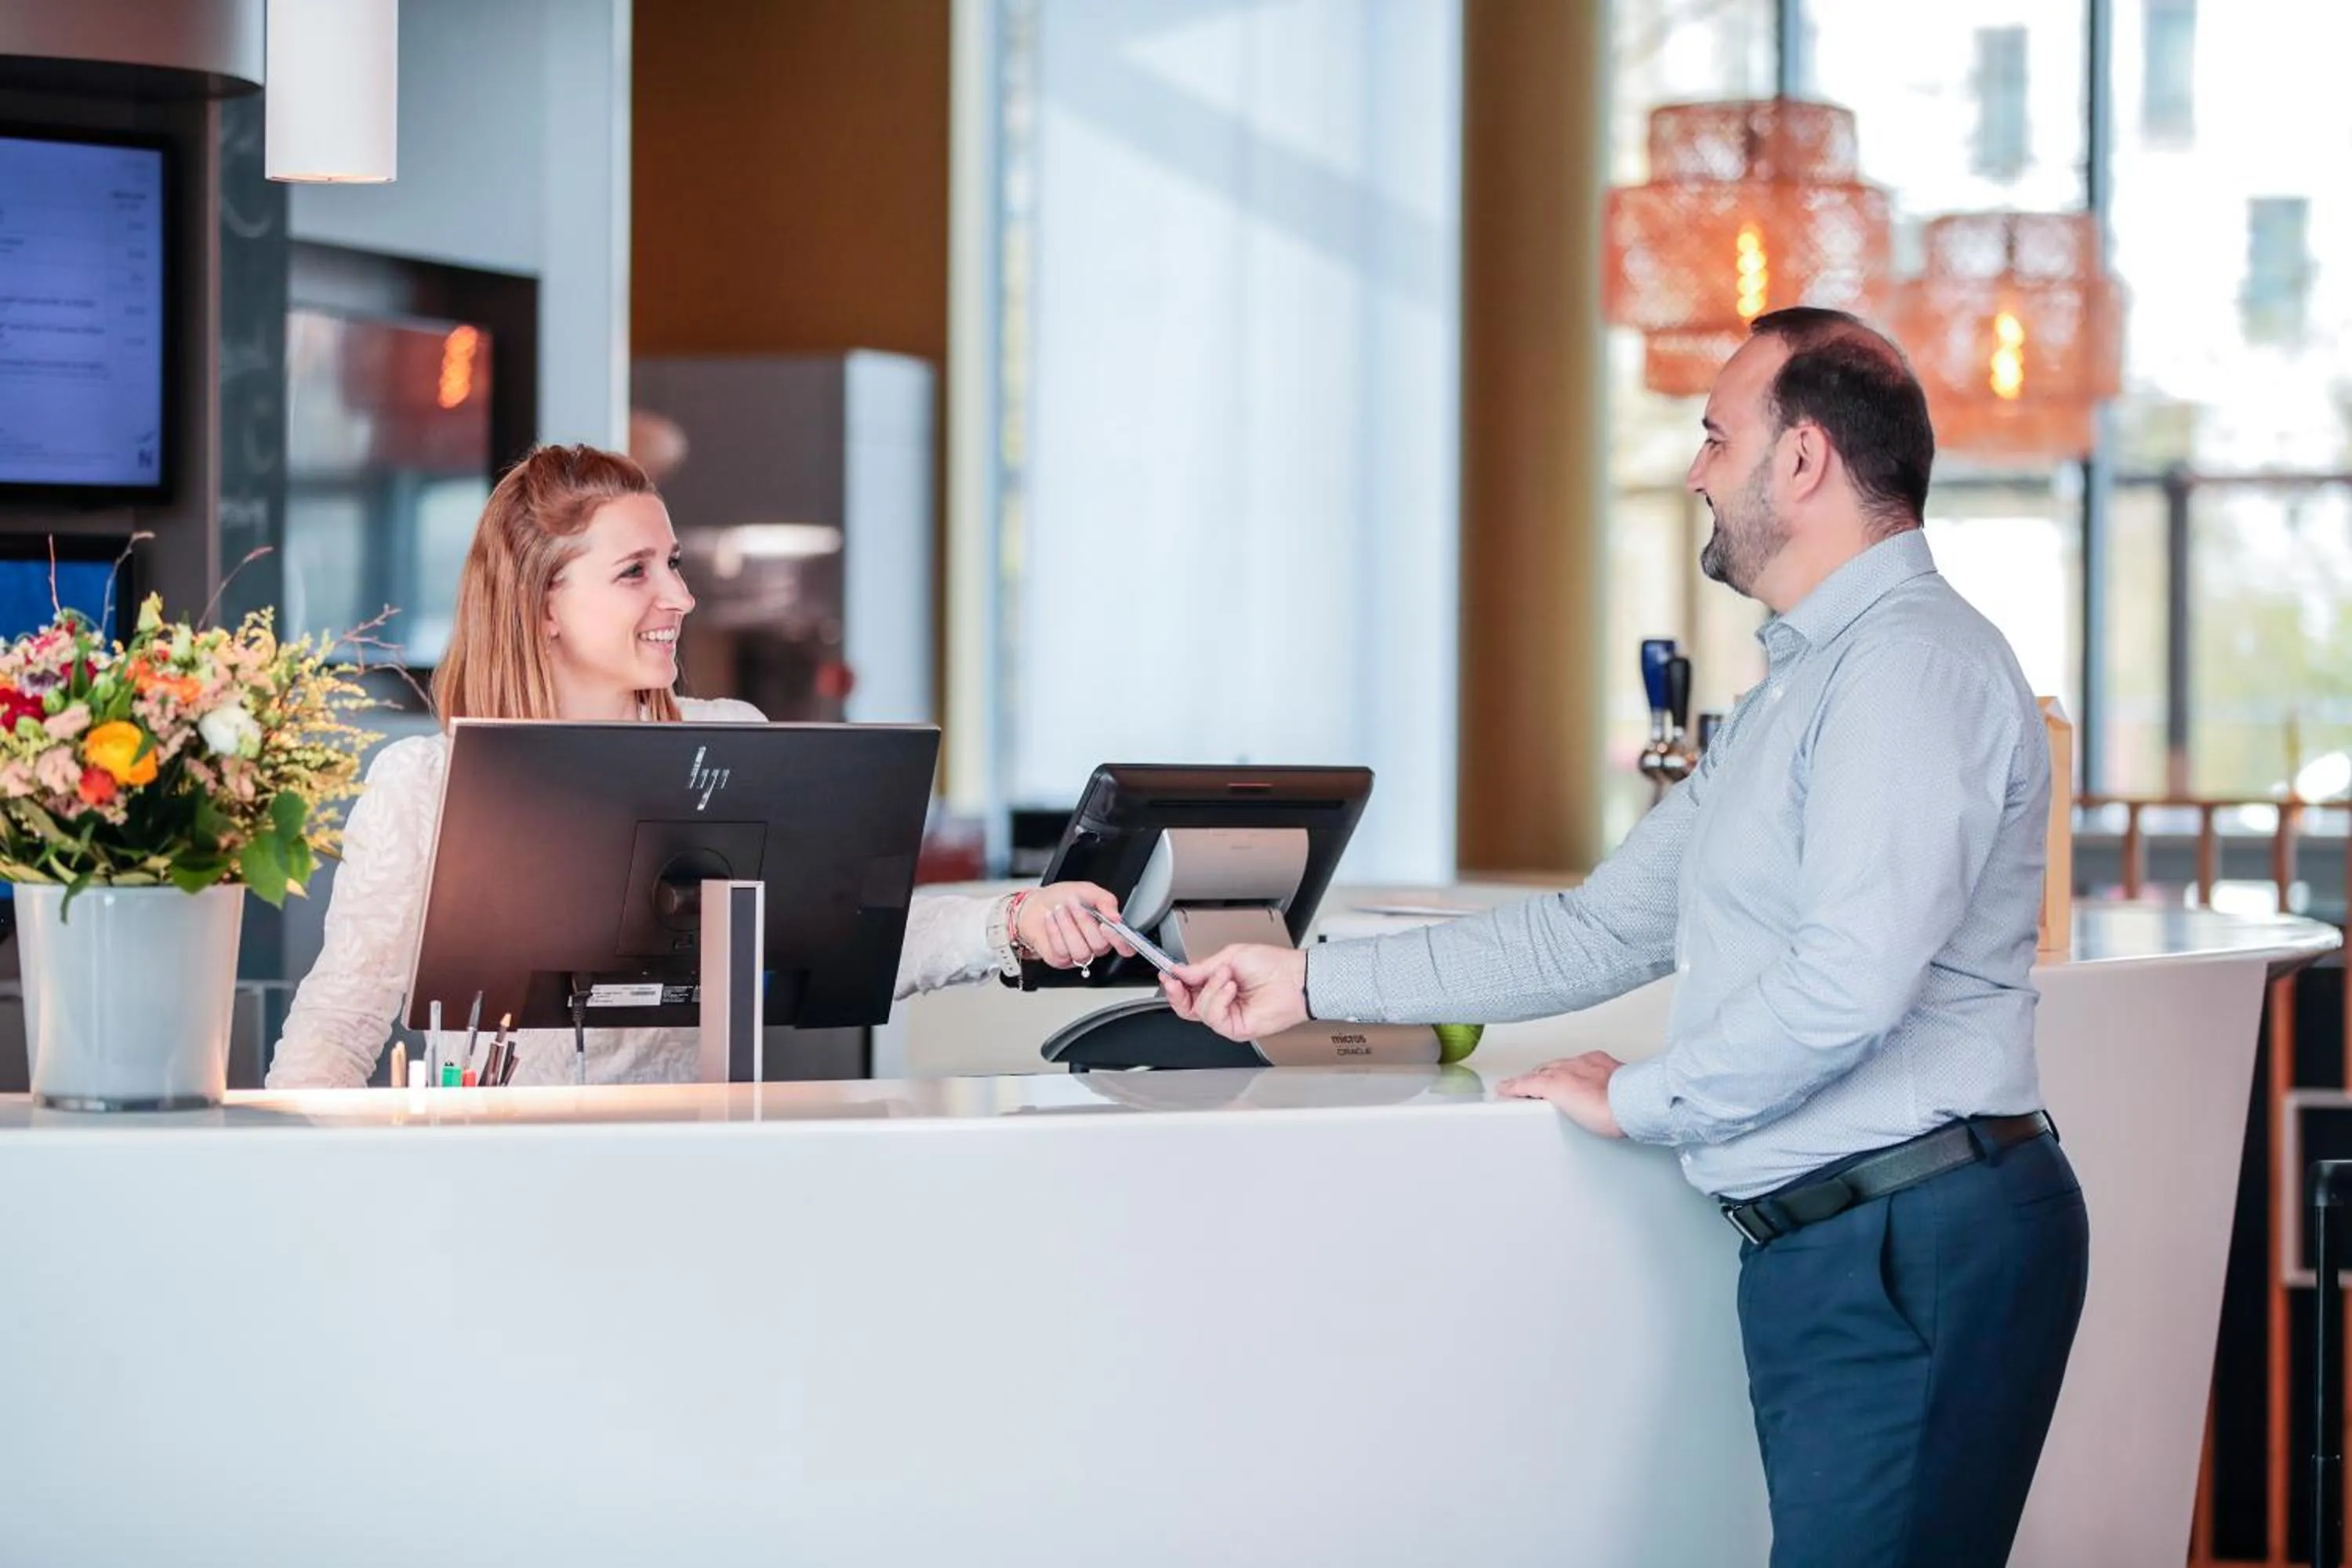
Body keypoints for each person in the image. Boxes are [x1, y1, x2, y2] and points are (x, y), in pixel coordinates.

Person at [1162, 308, 2089, 1568]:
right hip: (1850, 1246)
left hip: (1909, 1243)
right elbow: (1596, 930)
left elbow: (1848, 986)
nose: (1699, 470)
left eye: (1718, 437)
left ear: (1804, 461)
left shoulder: (1909, 668)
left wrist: (1645, 1098)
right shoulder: (1805, 689)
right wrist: (1309, 982)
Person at [267, 445, 1129, 1088]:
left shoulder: (727, 741)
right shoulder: (424, 784)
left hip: (702, 1174)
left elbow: (842, 935)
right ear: (544, 607)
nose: (678, 597)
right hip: (497, 1187)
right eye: (635, 571)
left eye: (671, 563)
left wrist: (1013, 918)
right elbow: (340, 1023)